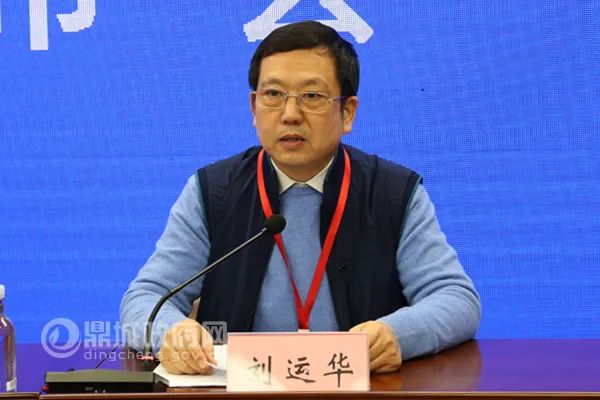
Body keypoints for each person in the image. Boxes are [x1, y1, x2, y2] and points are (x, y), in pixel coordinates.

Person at [120, 20, 481, 376]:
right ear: (253, 107)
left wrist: (397, 335)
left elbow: (456, 299)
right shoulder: (214, 191)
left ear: (348, 112)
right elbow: (144, 298)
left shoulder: (391, 193)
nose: (290, 115)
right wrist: (171, 333)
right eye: (273, 95)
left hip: (361, 389)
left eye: (312, 96)